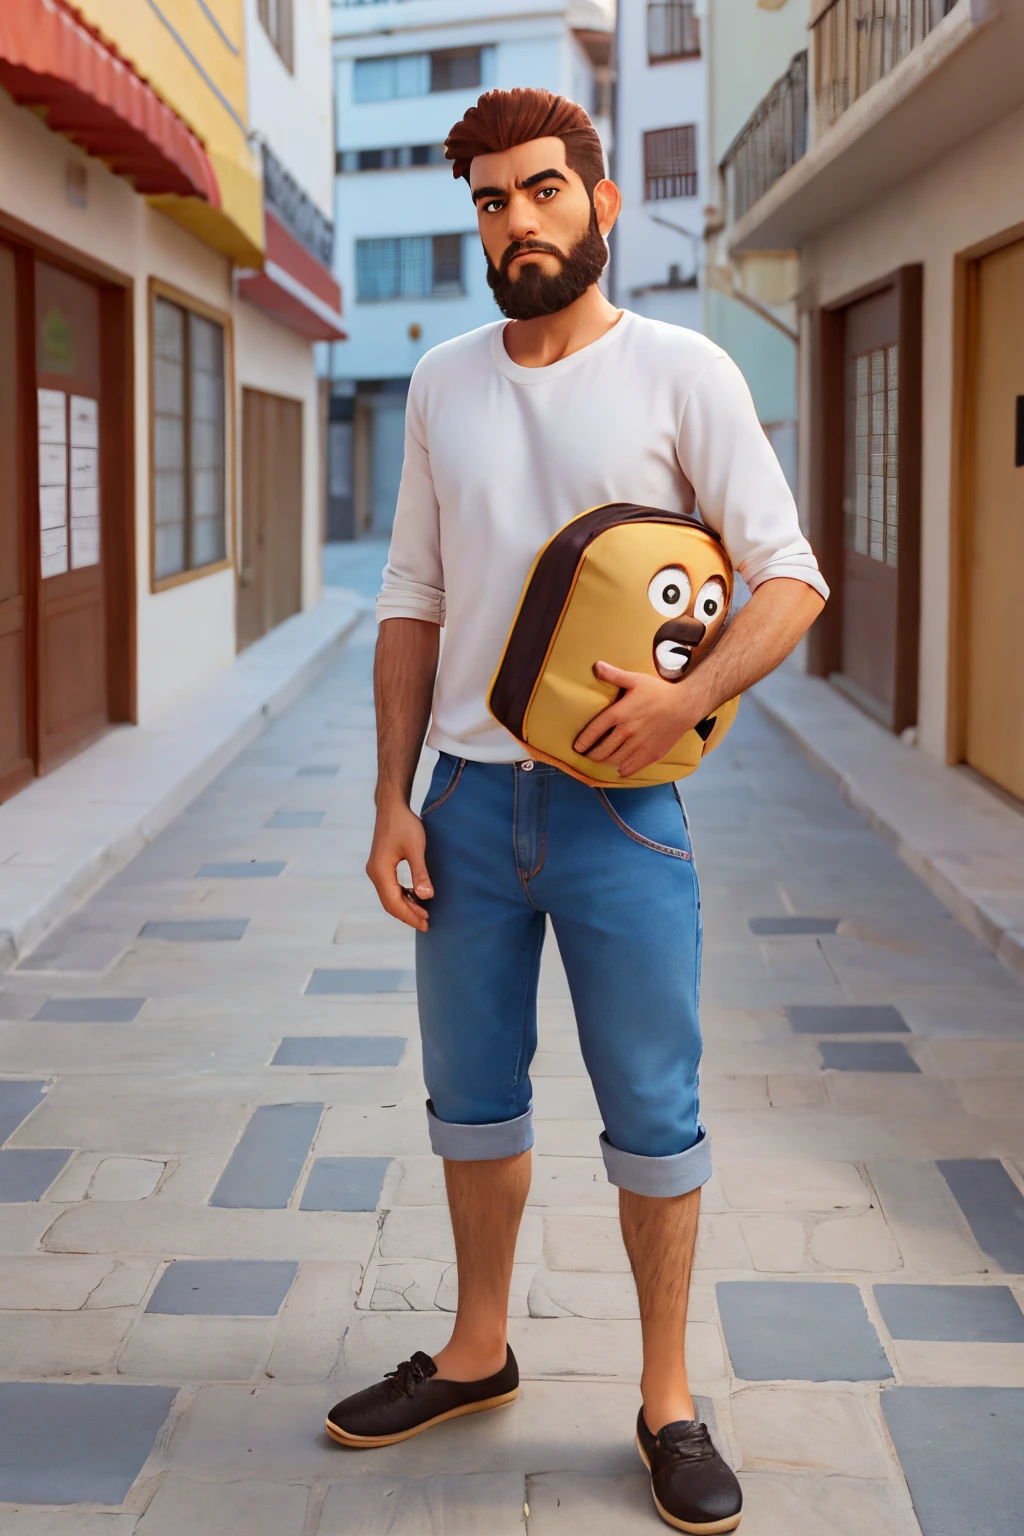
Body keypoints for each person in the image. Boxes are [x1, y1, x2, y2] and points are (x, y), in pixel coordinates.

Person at [326, 87, 827, 1533]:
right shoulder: (441, 382)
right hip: (468, 809)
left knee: (653, 1120)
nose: (518, 221)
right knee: (472, 1103)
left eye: (543, 190)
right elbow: (411, 602)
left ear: (602, 201)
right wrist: (390, 803)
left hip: (627, 816)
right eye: (490, 201)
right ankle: (479, 1352)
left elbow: (788, 579)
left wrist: (683, 703)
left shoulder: (685, 372)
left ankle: (667, 1397)